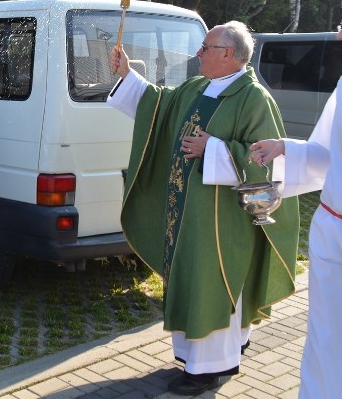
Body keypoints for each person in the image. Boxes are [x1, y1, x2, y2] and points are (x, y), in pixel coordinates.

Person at [106, 21, 299, 396]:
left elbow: (266, 162)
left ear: (228, 54)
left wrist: (214, 148)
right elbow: (158, 107)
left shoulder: (253, 99)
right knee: (191, 277)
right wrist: (127, 73)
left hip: (221, 220)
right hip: (186, 213)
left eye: (205, 47)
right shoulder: (198, 88)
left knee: (214, 281)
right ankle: (201, 355)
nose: (199, 53)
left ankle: (209, 369)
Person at [249, 28, 342, 399]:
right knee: (324, 333)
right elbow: (326, 156)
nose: (338, 36)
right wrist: (285, 147)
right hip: (333, 229)